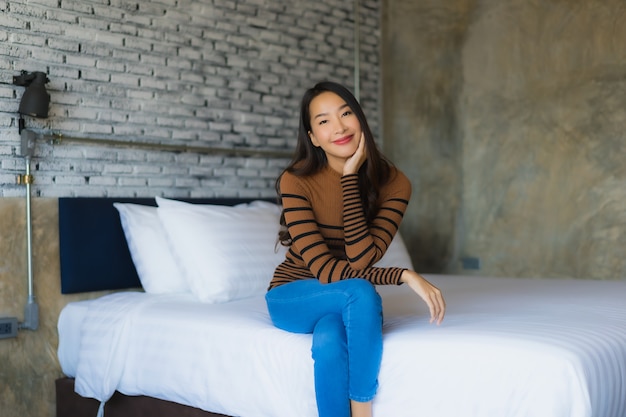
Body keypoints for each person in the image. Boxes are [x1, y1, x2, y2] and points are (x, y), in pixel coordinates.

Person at [265, 81, 446, 417]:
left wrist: (351, 178)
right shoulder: (296, 180)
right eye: (324, 121)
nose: (339, 127)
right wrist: (403, 275)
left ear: (360, 118)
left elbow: (361, 257)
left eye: (346, 113)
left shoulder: (394, 182)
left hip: (340, 295)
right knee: (360, 293)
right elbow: (325, 271)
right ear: (314, 137)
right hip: (292, 294)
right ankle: (363, 412)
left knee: (330, 341)